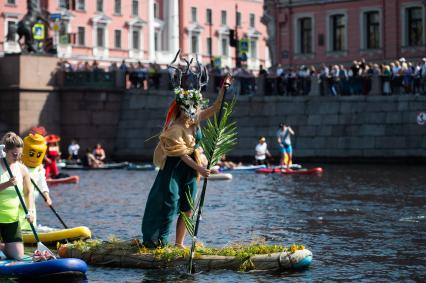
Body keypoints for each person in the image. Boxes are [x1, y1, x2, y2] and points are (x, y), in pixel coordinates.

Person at [142, 52, 231, 249]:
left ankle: (179, 243)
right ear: (181, 108)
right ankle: (158, 242)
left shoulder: (194, 121)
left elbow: (216, 107)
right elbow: (182, 155)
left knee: (188, 206)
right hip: (174, 171)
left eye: (195, 107)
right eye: (190, 108)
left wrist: (223, 89)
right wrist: (200, 169)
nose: (194, 111)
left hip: (190, 171)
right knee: (170, 204)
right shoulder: (175, 129)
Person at [0, 132, 34, 260]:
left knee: (18, 257)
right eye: (14, 154)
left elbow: (28, 192)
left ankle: (2, 247)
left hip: (11, 220)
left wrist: (30, 211)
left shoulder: (22, 169)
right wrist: (7, 184)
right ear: (5, 151)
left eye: (20, 154)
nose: (17, 157)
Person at [20, 133, 52, 231]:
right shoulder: (18, 165)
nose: (34, 158)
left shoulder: (39, 169)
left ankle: (30, 231)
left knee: (31, 222)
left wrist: (47, 196)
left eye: (38, 155)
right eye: (31, 154)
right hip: (18, 199)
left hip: (31, 200)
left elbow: (42, 183)